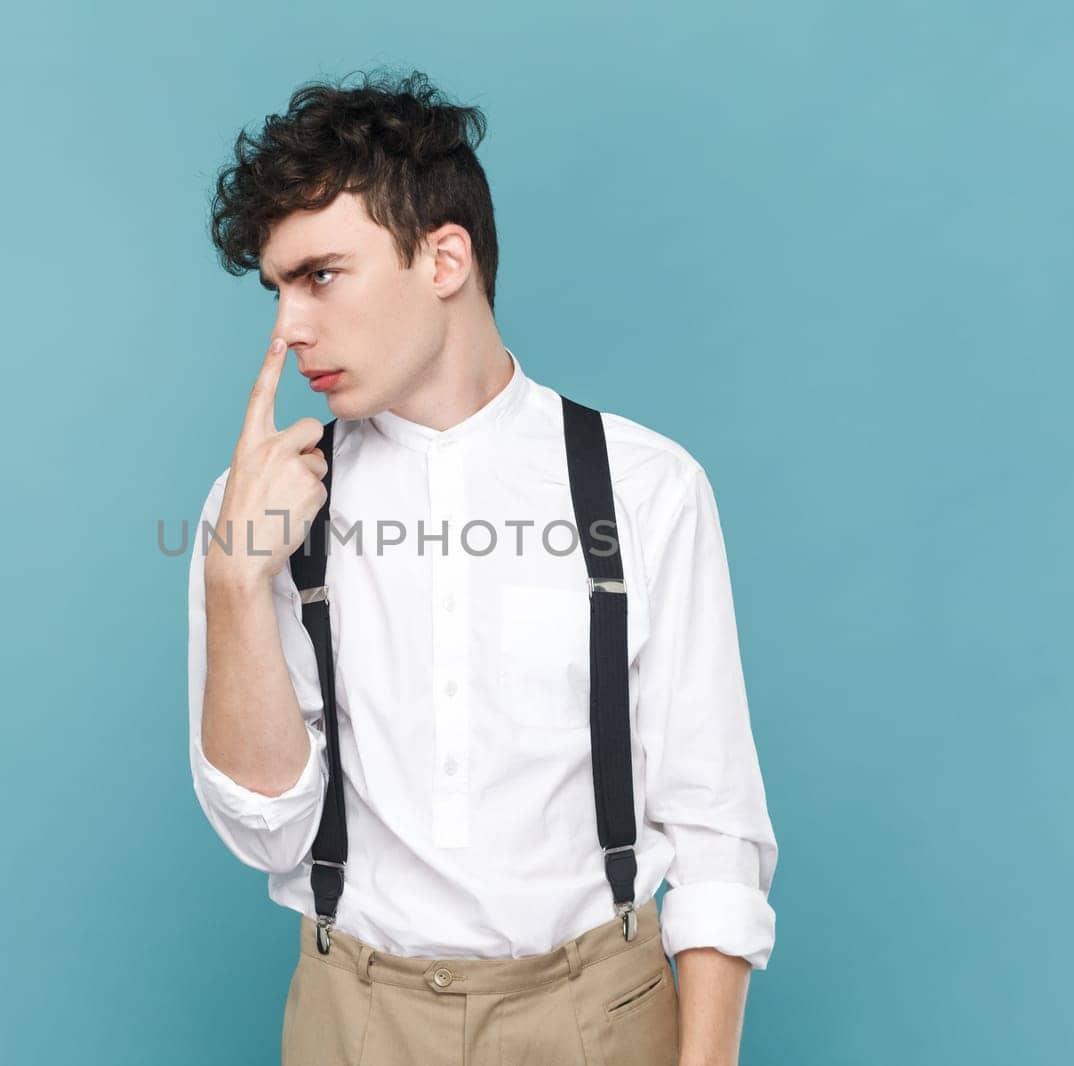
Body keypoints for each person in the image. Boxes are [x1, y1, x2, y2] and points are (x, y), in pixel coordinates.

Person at [185, 69, 778, 1066]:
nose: (288, 328)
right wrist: (234, 581)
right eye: (277, 287)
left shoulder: (643, 486)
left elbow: (714, 821)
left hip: (601, 1009)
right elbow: (268, 833)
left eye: (321, 275)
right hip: (355, 1013)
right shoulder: (259, 506)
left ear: (444, 257)